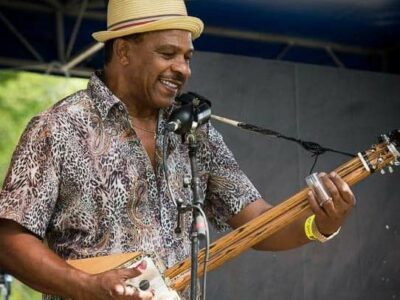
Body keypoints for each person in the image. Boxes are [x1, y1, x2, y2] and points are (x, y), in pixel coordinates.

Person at [0, 0, 356, 299]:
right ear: (123, 50)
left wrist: (319, 226)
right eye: (167, 54)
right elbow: (9, 239)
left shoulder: (195, 134)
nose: (182, 69)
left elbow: (258, 223)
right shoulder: (59, 127)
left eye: (187, 57)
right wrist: (89, 287)